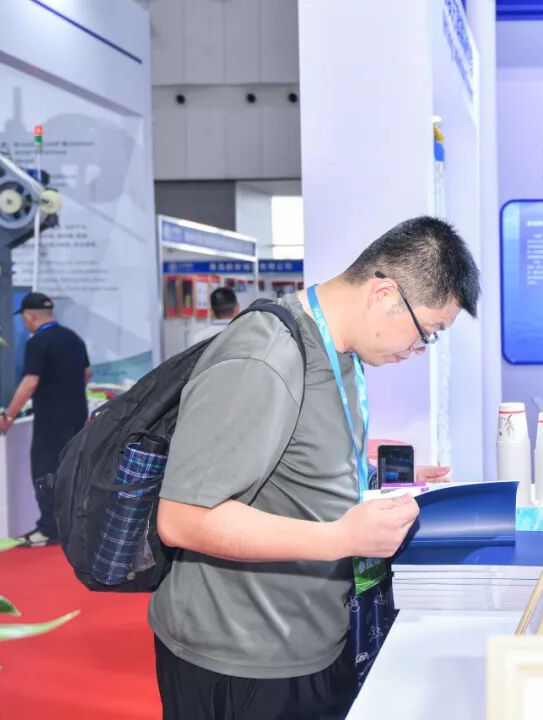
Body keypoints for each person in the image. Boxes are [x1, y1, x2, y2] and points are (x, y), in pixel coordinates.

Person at [149, 216, 480, 719]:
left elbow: (285, 455)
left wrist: (365, 467)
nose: (417, 352)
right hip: (241, 659)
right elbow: (183, 518)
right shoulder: (264, 356)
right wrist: (340, 538)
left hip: (312, 639)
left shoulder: (340, 352)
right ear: (384, 294)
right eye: (426, 334)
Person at [0, 292, 91, 548]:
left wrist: (9, 415)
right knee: (70, 471)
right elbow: (86, 373)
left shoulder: (37, 342)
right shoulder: (73, 338)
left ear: (29, 316)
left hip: (50, 420)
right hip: (76, 416)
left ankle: (48, 528)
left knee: (45, 472)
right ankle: (70, 525)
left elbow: (30, 382)